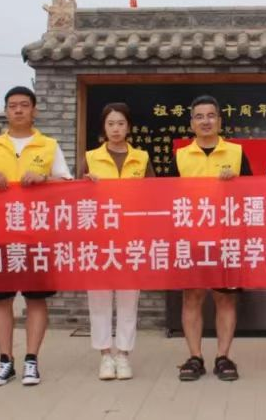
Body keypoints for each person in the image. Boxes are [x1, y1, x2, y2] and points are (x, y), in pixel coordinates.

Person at [0, 86, 73, 387]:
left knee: (35, 298)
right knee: (0, 299)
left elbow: (67, 184)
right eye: (12, 105)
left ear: (34, 110)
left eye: (24, 105)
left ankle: (31, 360)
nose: (18, 110)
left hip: (36, 235)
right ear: (5, 111)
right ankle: (5, 361)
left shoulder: (48, 145)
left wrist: (44, 179)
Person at [168, 95, 251, 382]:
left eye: (211, 115)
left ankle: (223, 357)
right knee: (192, 297)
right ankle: (195, 357)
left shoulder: (236, 153)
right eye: (199, 116)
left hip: (226, 238)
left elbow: (253, 193)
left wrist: (236, 183)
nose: (206, 121)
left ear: (219, 120)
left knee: (225, 298)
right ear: (191, 123)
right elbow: (167, 196)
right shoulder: (181, 156)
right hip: (191, 238)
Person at [83, 102, 154, 380]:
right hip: (98, 240)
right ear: (104, 127)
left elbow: (154, 195)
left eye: (121, 123)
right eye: (110, 123)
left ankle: (123, 355)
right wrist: (86, 186)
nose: (116, 129)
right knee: (99, 299)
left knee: (128, 299)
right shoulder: (91, 158)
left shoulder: (142, 158)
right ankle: (104, 355)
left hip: (131, 239)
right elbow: (75, 199)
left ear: (129, 127)